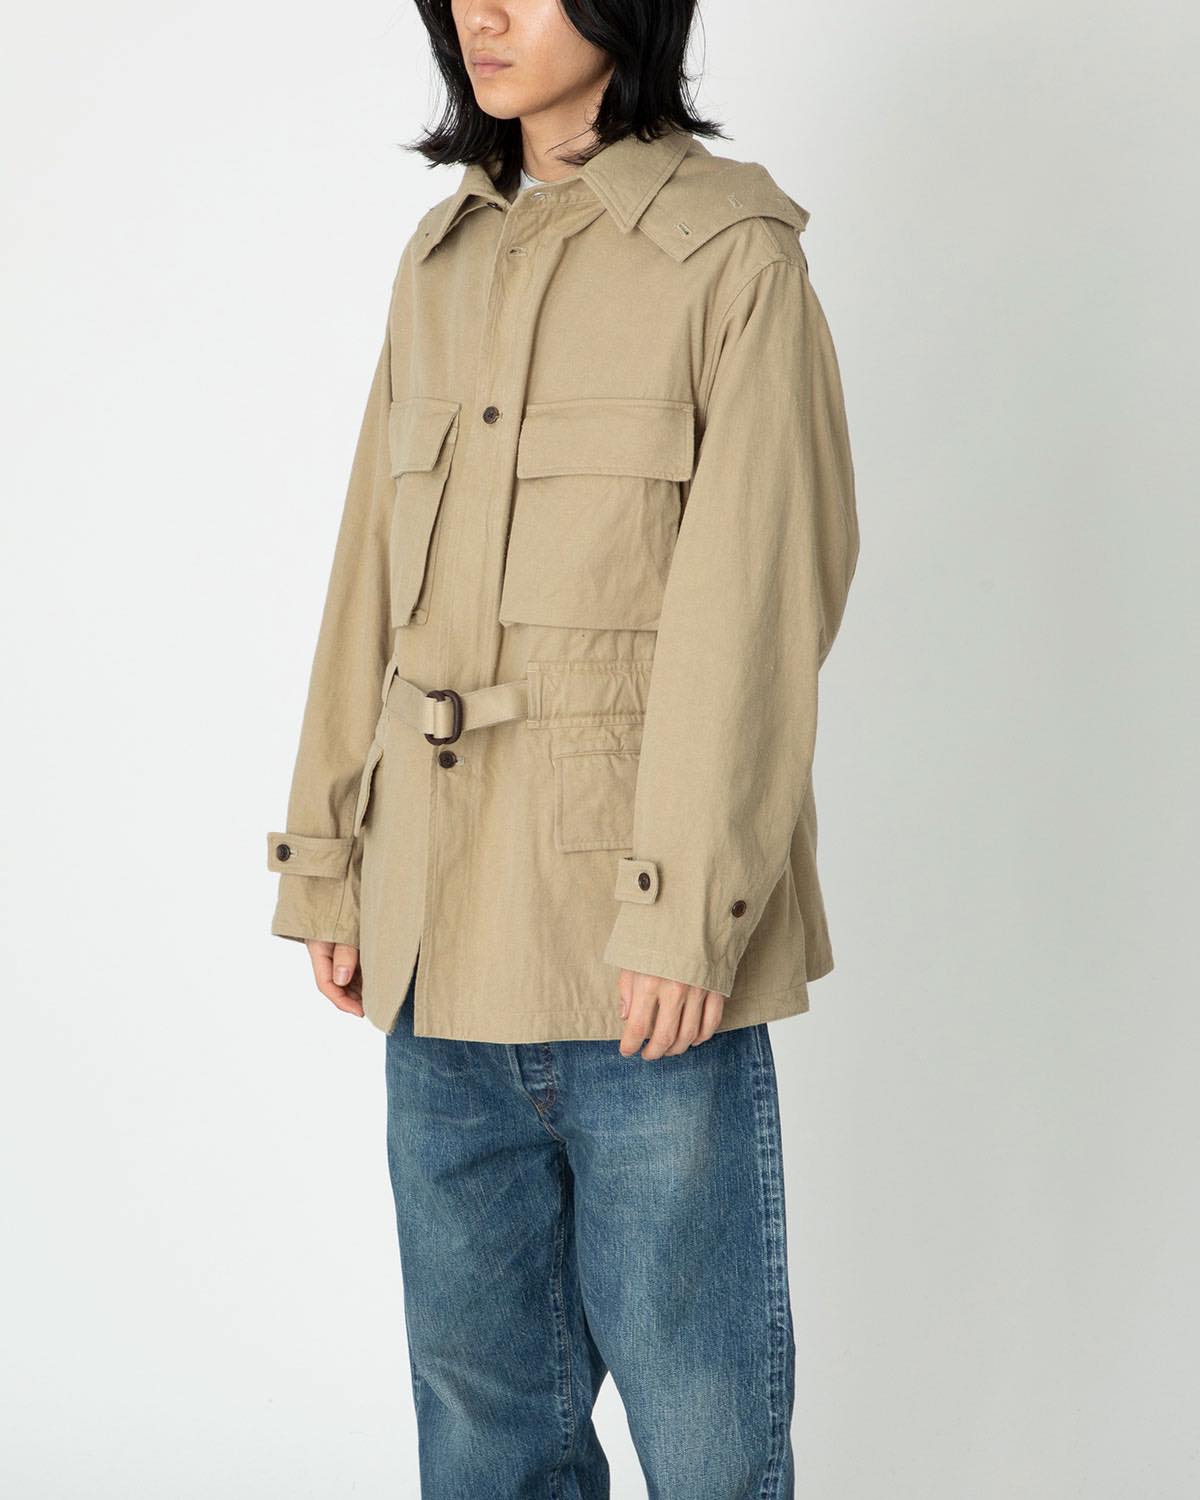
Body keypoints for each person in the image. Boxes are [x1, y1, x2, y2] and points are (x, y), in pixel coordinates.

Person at [265, 1, 859, 1494]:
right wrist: (330, 857)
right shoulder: (442, 259)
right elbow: (367, 574)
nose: (483, 10)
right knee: (482, 1429)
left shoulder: (732, 256)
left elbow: (760, 602)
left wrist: (688, 909)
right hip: (437, 941)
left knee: (707, 1433)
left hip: (640, 959)